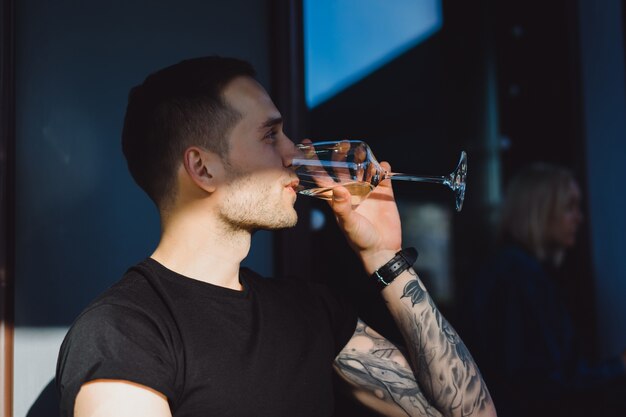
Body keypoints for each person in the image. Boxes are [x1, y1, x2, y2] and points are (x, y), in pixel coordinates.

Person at [55, 56, 496, 417]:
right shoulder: (125, 332)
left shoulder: (309, 311)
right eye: (271, 135)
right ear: (203, 168)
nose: (294, 152)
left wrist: (387, 258)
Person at [465, 163, 626, 417]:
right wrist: (619, 366)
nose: (579, 217)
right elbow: (543, 383)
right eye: (569, 206)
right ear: (539, 210)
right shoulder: (517, 275)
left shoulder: (518, 270)